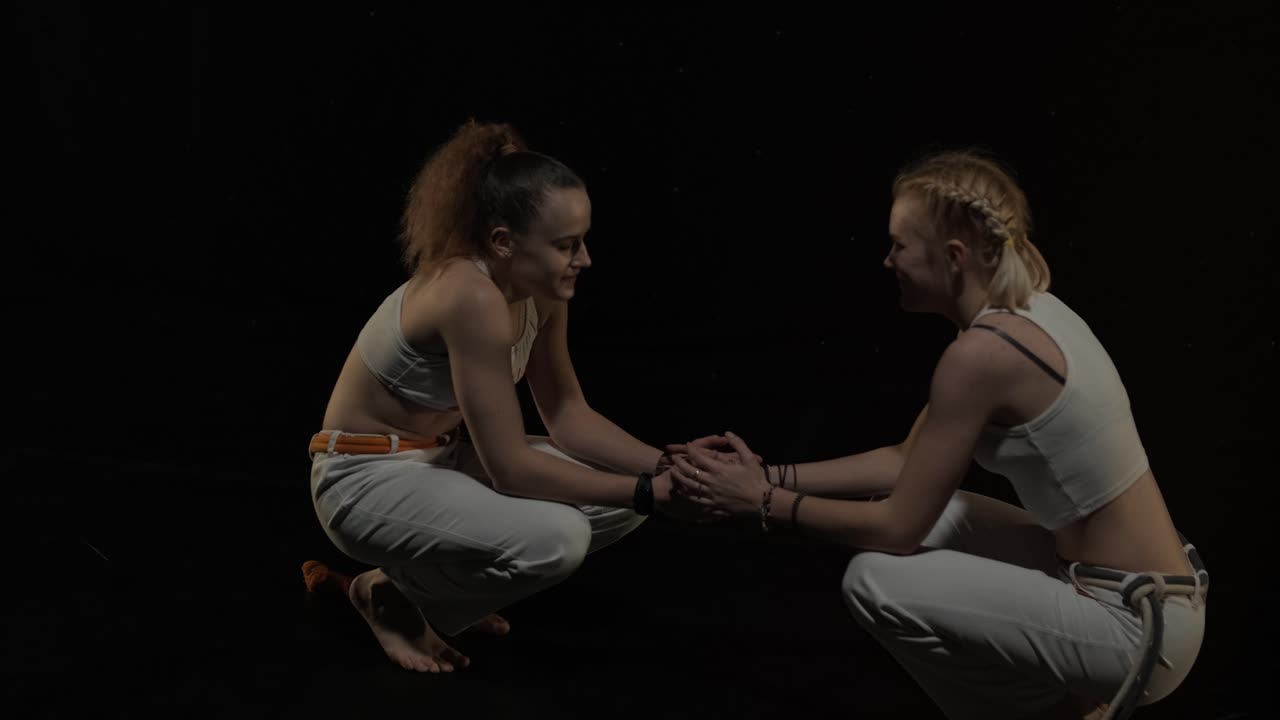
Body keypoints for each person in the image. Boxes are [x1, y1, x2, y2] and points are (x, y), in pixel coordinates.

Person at [670, 150, 1208, 719]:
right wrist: (765, 477)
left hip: (1136, 627)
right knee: (942, 512)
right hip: (1142, 591)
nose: (887, 260)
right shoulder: (1027, 312)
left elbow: (898, 529)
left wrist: (760, 503)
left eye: (899, 245)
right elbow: (905, 462)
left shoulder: (982, 355)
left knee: (873, 578)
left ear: (953, 258)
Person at [302, 119, 717, 674]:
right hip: (362, 478)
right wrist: (651, 491)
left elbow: (569, 416)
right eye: (567, 245)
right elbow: (510, 471)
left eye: (584, 240)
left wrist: (673, 466)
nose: (585, 258)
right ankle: (390, 598)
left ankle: (415, 592)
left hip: (439, 458)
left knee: (621, 507)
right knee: (561, 537)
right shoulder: (467, 294)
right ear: (503, 242)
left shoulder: (540, 289)